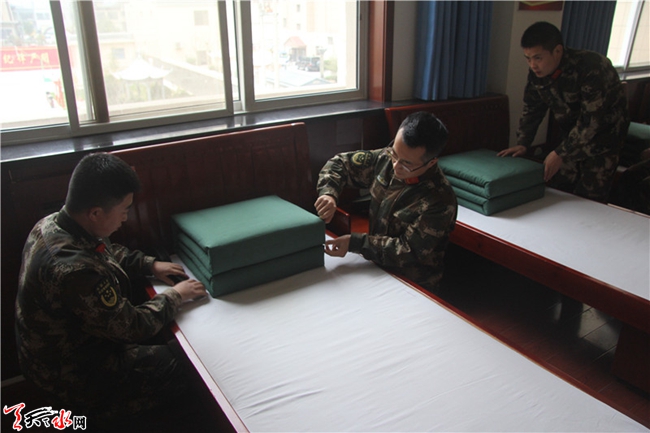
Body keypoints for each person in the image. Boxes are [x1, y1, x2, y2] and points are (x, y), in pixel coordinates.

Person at [14, 152, 208, 426]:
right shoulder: (75, 271)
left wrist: (149, 264)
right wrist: (177, 295)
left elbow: (102, 251)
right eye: (124, 209)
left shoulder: (53, 224)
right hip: (73, 375)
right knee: (190, 365)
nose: (126, 217)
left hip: (61, 351)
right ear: (95, 213)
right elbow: (132, 327)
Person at [314, 111, 457, 290]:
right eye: (395, 153)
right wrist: (328, 193)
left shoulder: (439, 200)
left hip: (412, 282)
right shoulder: (385, 159)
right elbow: (339, 163)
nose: (396, 166)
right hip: (375, 265)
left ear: (431, 163)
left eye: (407, 163)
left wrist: (355, 243)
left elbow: (408, 251)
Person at [497, 21, 629, 202]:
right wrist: (523, 143)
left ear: (557, 51)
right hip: (572, 136)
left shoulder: (592, 67)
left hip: (604, 138)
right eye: (528, 58)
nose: (533, 65)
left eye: (538, 58)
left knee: (590, 197)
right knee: (560, 189)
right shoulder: (538, 73)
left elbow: (591, 122)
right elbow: (532, 109)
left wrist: (560, 152)